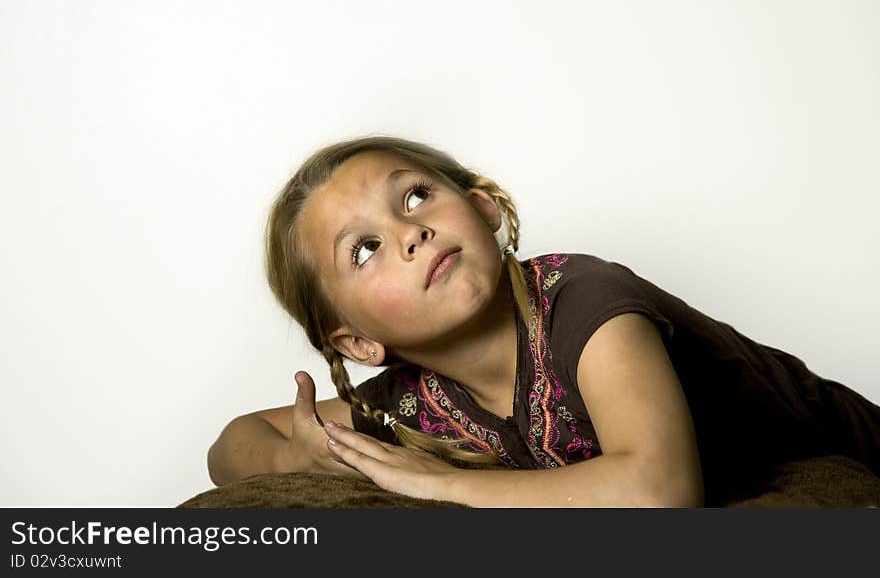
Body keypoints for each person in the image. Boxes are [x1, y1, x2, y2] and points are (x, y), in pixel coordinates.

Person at [207, 135, 880, 507]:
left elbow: (659, 491)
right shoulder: (417, 400)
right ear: (357, 340)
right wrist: (293, 453)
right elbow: (230, 444)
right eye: (365, 248)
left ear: (483, 206)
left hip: (847, 454)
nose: (410, 231)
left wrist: (443, 483)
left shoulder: (581, 301)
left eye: (415, 195)